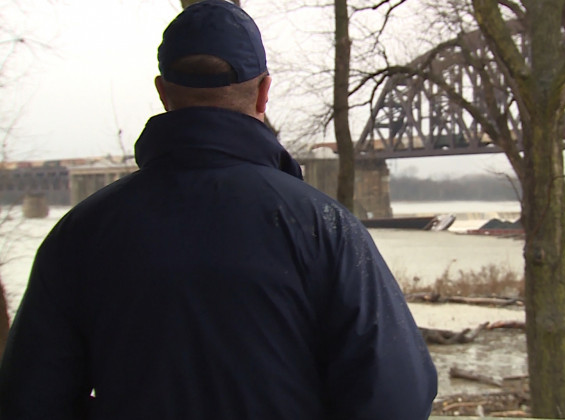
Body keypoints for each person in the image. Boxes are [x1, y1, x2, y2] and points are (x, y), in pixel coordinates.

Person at [0, 1, 437, 419]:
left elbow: (29, 399)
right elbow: (396, 396)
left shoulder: (80, 233)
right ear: (264, 91)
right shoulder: (324, 227)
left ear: (162, 92)